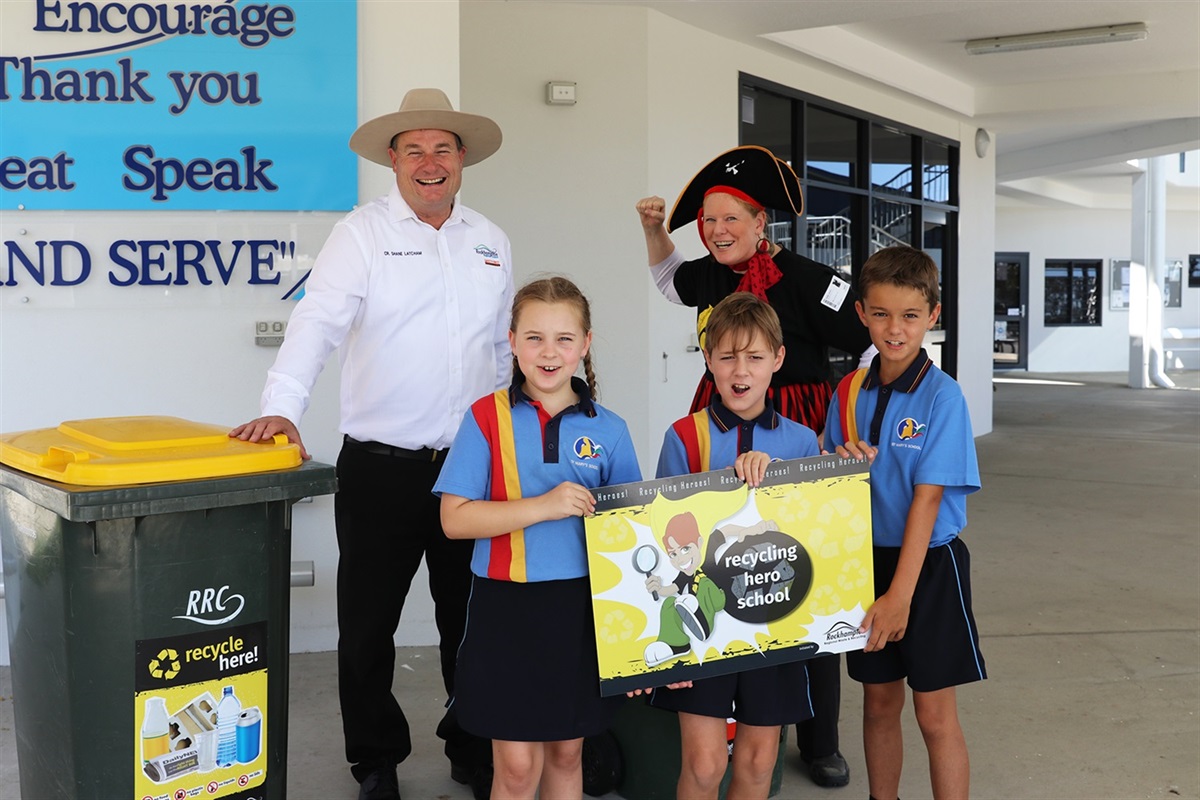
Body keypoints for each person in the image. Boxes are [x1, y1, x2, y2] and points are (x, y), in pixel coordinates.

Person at [229, 88, 511, 800]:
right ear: (392, 159)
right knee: (366, 628)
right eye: (413, 148)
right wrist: (281, 409)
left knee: (471, 623)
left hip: (473, 470)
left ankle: (472, 749)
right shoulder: (360, 233)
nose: (428, 161)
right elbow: (316, 324)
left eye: (442, 148)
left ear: (463, 158)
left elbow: (505, 352)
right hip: (381, 468)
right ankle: (375, 759)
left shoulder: (491, 239)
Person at [636, 144, 872, 787]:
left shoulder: (803, 273)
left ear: (761, 221)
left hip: (793, 420)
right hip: (721, 420)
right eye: (708, 220)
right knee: (721, 561)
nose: (716, 231)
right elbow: (668, 280)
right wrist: (656, 230)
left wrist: (847, 416)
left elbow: (866, 330)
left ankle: (819, 739)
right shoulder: (710, 274)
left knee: (800, 578)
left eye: (729, 218)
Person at [433, 276, 642, 800]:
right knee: (518, 766)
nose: (549, 353)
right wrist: (543, 508)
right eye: (534, 337)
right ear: (512, 341)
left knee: (568, 753)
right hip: (505, 607)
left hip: (579, 608)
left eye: (564, 339)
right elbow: (454, 520)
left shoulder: (611, 429)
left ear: (586, 344)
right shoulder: (485, 417)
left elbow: (635, 533)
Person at [825, 245, 986, 800]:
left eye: (910, 316)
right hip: (865, 561)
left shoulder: (944, 397)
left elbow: (928, 500)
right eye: (882, 313)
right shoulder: (846, 391)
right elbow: (829, 486)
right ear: (862, 312)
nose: (895, 329)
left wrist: (899, 596)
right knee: (878, 703)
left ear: (932, 316)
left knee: (934, 713)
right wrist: (841, 471)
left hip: (928, 567)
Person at [650, 292, 818, 800]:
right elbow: (664, 537)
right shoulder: (684, 436)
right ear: (708, 360)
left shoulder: (804, 442)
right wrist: (720, 491)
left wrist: (781, 482)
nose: (739, 370)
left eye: (754, 356)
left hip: (775, 625)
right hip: (704, 627)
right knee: (702, 766)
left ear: (778, 360)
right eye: (726, 356)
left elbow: (814, 537)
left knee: (758, 762)